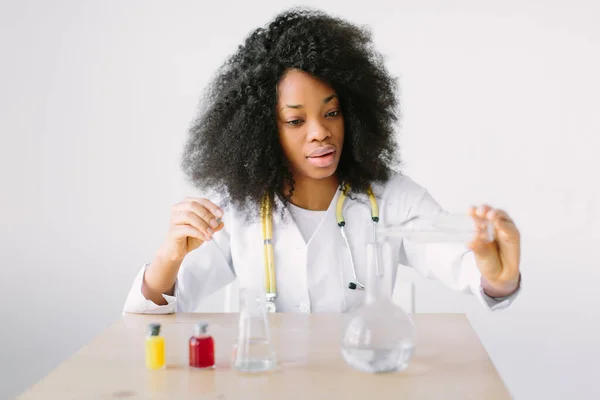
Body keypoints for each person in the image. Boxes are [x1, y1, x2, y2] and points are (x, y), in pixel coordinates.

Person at [123, 8, 521, 315]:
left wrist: (498, 274)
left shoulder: (392, 197)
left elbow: (463, 265)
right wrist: (169, 257)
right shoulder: (233, 206)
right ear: (262, 129)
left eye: (331, 113)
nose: (319, 132)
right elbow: (150, 313)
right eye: (296, 120)